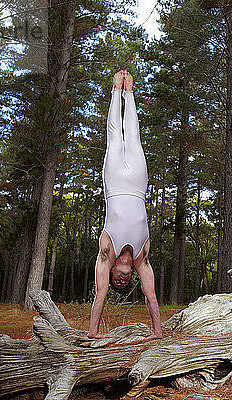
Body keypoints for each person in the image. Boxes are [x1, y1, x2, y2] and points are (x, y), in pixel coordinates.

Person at [88, 70, 162, 339]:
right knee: (133, 138)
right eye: (124, 283)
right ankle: (129, 92)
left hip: (116, 183)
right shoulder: (142, 258)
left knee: (115, 138)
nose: (119, 281)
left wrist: (93, 331)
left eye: (115, 282)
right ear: (131, 274)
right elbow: (151, 294)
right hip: (138, 186)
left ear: (111, 272)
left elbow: (100, 292)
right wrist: (157, 331)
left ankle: (117, 89)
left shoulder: (106, 251)